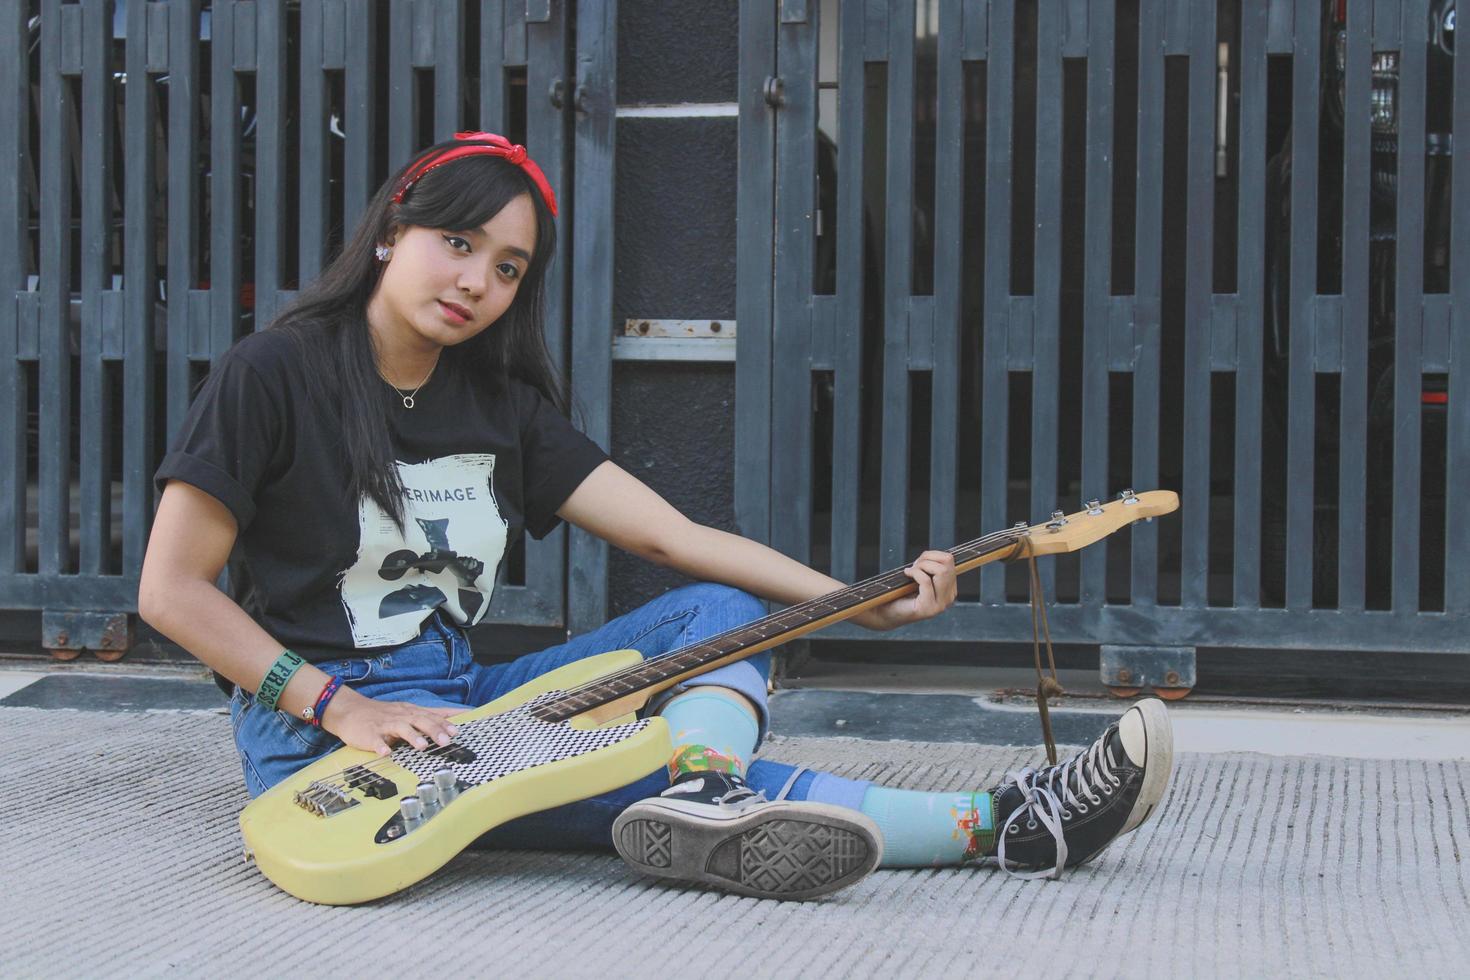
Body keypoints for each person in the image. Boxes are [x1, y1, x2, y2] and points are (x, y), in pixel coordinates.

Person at [138, 133, 1174, 902]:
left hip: (469, 707)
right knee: (652, 760)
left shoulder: (500, 407)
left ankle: (704, 784)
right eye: (457, 242)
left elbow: (671, 537)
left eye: (507, 269)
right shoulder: (271, 372)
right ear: (392, 229)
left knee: (713, 608)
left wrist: (863, 603)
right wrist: (340, 706)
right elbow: (170, 589)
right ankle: (1008, 823)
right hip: (326, 741)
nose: (477, 282)